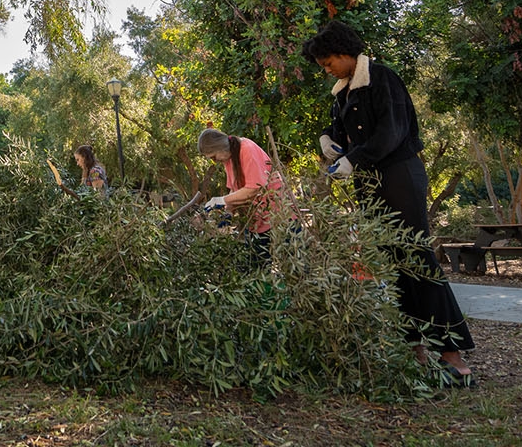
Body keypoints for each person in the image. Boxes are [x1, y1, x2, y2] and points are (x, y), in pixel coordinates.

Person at [301, 20, 476, 387]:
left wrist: (354, 158)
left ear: (346, 53)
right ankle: (412, 351)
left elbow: (391, 132)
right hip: (370, 184)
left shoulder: (381, 79)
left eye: (329, 62)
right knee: (391, 265)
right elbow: (342, 134)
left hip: (399, 178)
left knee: (417, 261)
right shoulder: (343, 92)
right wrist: (329, 142)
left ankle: (454, 357)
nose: (327, 70)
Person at [196, 128, 286, 265]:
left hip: (279, 216)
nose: (215, 161)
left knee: (290, 266)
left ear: (220, 147)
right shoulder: (229, 159)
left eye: (213, 157)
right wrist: (227, 214)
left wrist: (220, 200)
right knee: (255, 267)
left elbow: (253, 189)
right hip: (258, 220)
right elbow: (234, 190)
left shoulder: (246, 149)